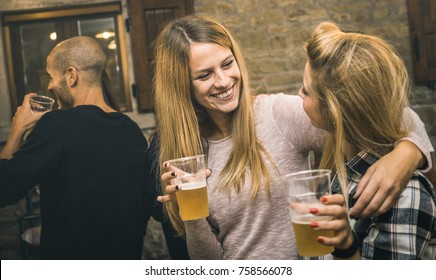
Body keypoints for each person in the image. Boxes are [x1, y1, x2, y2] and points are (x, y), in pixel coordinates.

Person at [151, 14, 434, 259]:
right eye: (204, 75)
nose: (223, 81)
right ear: (182, 87)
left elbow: (379, 114)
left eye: (227, 64)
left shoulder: (277, 115)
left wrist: (406, 153)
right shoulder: (188, 152)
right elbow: (212, 263)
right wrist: (192, 217)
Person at [0, 36, 152, 259]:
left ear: (71, 75)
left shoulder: (57, 124)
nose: (50, 85)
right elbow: (143, 208)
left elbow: (4, 188)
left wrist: (17, 130)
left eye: (51, 77)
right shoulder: (132, 131)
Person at [299, 22, 436, 259]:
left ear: (335, 113)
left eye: (305, 90)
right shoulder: (340, 168)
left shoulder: (405, 195)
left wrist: (347, 248)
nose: (298, 95)